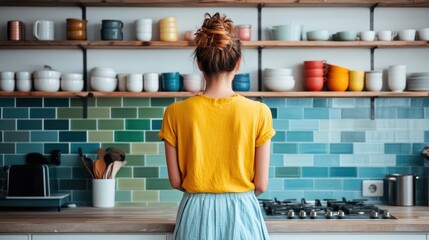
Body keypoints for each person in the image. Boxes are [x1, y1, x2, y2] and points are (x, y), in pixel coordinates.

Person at [158, 12, 275, 240]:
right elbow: (261, 184)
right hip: (243, 211)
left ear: (200, 64)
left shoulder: (174, 113)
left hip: (195, 211)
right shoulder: (260, 112)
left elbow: (175, 181)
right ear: (238, 63)